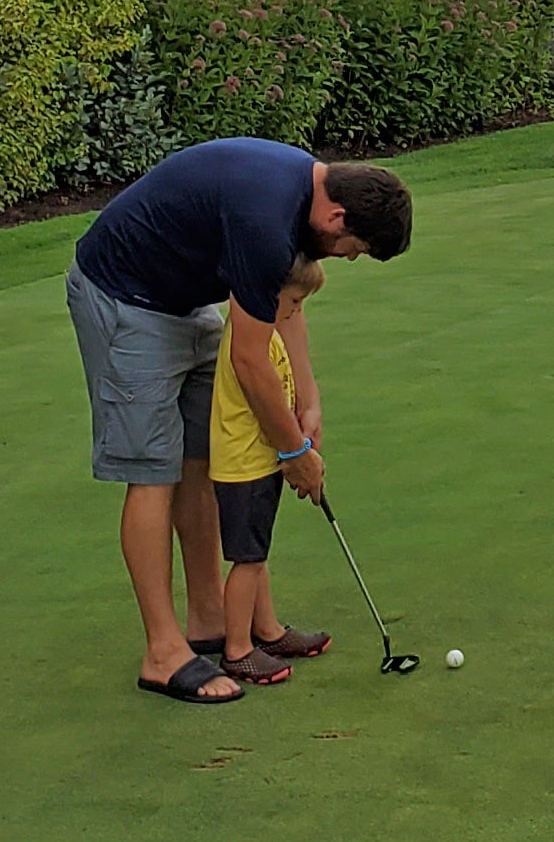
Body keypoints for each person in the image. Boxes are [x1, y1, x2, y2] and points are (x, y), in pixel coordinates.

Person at [65, 139, 413, 704]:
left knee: (202, 456)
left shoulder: (309, 198)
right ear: (337, 217)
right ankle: (162, 652)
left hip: (182, 301)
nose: (348, 257)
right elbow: (251, 362)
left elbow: (281, 300)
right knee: (155, 471)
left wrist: (306, 394)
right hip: (123, 298)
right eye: (354, 248)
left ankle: (210, 621)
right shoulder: (265, 217)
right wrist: (295, 452)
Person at [212, 255, 334, 685]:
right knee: (247, 560)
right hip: (243, 465)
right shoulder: (249, 341)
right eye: (295, 301)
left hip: (259, 460)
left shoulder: (269, 332)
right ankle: (238, 650)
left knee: (257, 554)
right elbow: (263, 406)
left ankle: (267, 632)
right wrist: (296, 450)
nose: (297, 311)